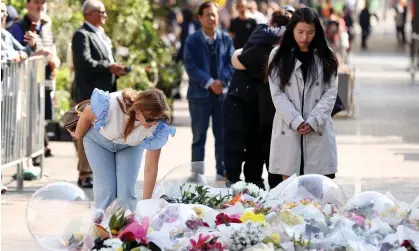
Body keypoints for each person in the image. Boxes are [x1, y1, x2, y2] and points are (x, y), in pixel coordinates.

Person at [69, 88, 175, 211]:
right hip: (98, 141)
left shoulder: (157, 128)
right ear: (138, 110)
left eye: (158, 119)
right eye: (150, 119)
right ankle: (103, 227)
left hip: (129, 146)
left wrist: (146, 205)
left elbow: (150, 168)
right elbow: (87, 112)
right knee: (107, 191)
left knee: (126, 195)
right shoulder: (114, 105)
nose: (153, 123)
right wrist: (77, 135)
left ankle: (127, 228)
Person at [268, 7, 339, 181]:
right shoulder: (278, 55)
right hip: (289, 127)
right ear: (292, 30)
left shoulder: (326, 55)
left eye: (310, 32)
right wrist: (296, 121)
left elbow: (330, 93)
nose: (304, 37)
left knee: (318, 191)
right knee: (290, 191)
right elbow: (277, 94)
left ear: (317, 32)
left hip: (318, 128)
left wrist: (313, 120)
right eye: (300, 32)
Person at [225, 10, 289, 189]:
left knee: (263, 150)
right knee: (257, 150)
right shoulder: (265, 47)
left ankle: (260, 186)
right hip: (260, 108)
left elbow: (240, 58)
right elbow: (241, 59)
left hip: (269, 110)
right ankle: (256, 186)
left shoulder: (278, 49)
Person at [71, 0, 128, 188]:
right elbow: (84, 63)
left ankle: (95, 171)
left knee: (101, 132)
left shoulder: (101, 35)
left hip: (105, 93)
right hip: (88, 93)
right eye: (100, 11)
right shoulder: (82, 35)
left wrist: (115, 69)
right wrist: (109, 67)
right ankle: (85, 173)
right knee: (86, 131)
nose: (104, 15)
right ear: (88, 14)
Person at [183, 1, 234, 178]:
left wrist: (222, 81)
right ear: (200, 18)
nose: (212, 18)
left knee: (222, 136)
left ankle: (223, 171)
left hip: (221, 95)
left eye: (214, 14)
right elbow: (190, 65)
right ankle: (197, 174)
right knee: (199, 138)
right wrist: (210, 82)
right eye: (207, 15)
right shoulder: (192, 40)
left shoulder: (225, 38)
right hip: (199, 96)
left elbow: (231, 63)